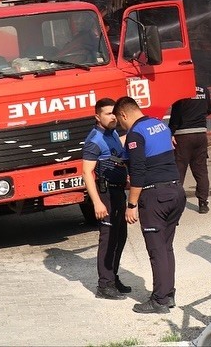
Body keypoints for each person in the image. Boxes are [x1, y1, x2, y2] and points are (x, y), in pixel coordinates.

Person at [116, 95, 186, 314]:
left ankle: (159, 301)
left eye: (120, 122)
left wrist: (132, 204)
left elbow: (138, 172)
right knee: (166, 247)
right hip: (176, 191)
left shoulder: (135, 134)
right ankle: (168, 294)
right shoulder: (160, 125)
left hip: (155, 197)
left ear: (123, 115)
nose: (121, 126)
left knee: (157, 251)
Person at [81, 98, 132, 300]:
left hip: (118, 192)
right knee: (108, 239)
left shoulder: (111, 134)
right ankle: (104, 285)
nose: (113, 117)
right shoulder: (94, 140)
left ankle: (113, 277)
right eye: (108, 113)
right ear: (97, 117)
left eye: (114, 113)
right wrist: (97, 202)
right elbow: (87, 173)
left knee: (120, 237)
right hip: (106, 195)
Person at [168, 85, 211, 214]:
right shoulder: (204, 90)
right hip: (200, 134)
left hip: (183, 135)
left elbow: (176, 115)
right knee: (201, 171)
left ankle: (175, 205)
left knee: (179, 170)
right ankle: (203, 203)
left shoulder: (181, 90)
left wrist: (170, 133)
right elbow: (209, 110)